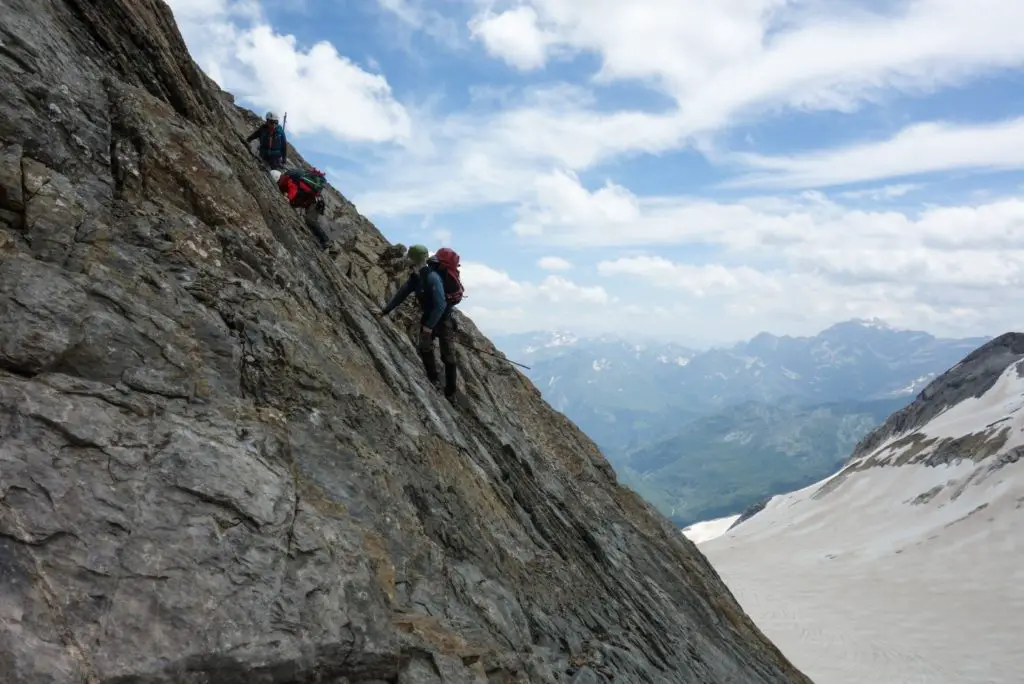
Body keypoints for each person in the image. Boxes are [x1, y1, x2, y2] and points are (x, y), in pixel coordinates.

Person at [378, 246, 465, 401]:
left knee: (447, 356)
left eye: (410, 259)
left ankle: (450, 392)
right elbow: (402, 293)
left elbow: (441, 305)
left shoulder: (431, 277)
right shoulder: (418, 276)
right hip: (436, 317)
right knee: (427, 348)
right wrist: (385, 311)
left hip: (442, 318)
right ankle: (434, 380)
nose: (408, 262)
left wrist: (428, 327)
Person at [277, 167, 331, 249]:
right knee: (311, 221)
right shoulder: (291, 178)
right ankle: (322, 240)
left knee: (310, 220)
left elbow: (293, 189)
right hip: (310, 201)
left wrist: (288, 198)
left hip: (314, 202)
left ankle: (326, 241)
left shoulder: (288, 179)